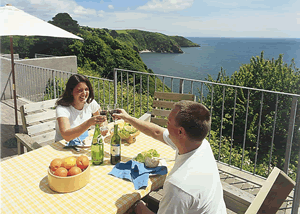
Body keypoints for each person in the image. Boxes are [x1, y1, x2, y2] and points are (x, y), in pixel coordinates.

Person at [114, 100, 227, 214]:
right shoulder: (201, 145)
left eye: (168, 122)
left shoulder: (178, 185)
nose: (165, 125)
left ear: (180, 132)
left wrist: (138, 206)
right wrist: (127, 118)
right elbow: (157, 132)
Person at [55, 74, 106, 142]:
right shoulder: (62, 109)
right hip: (64, 146)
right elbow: (66, 136)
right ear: (71, 92)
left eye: (86, 89)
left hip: (83, 142)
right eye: (80, 90)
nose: (84, 93)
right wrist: (89, 123)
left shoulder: (90, 102)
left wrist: (103, 127)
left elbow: (103, 119)